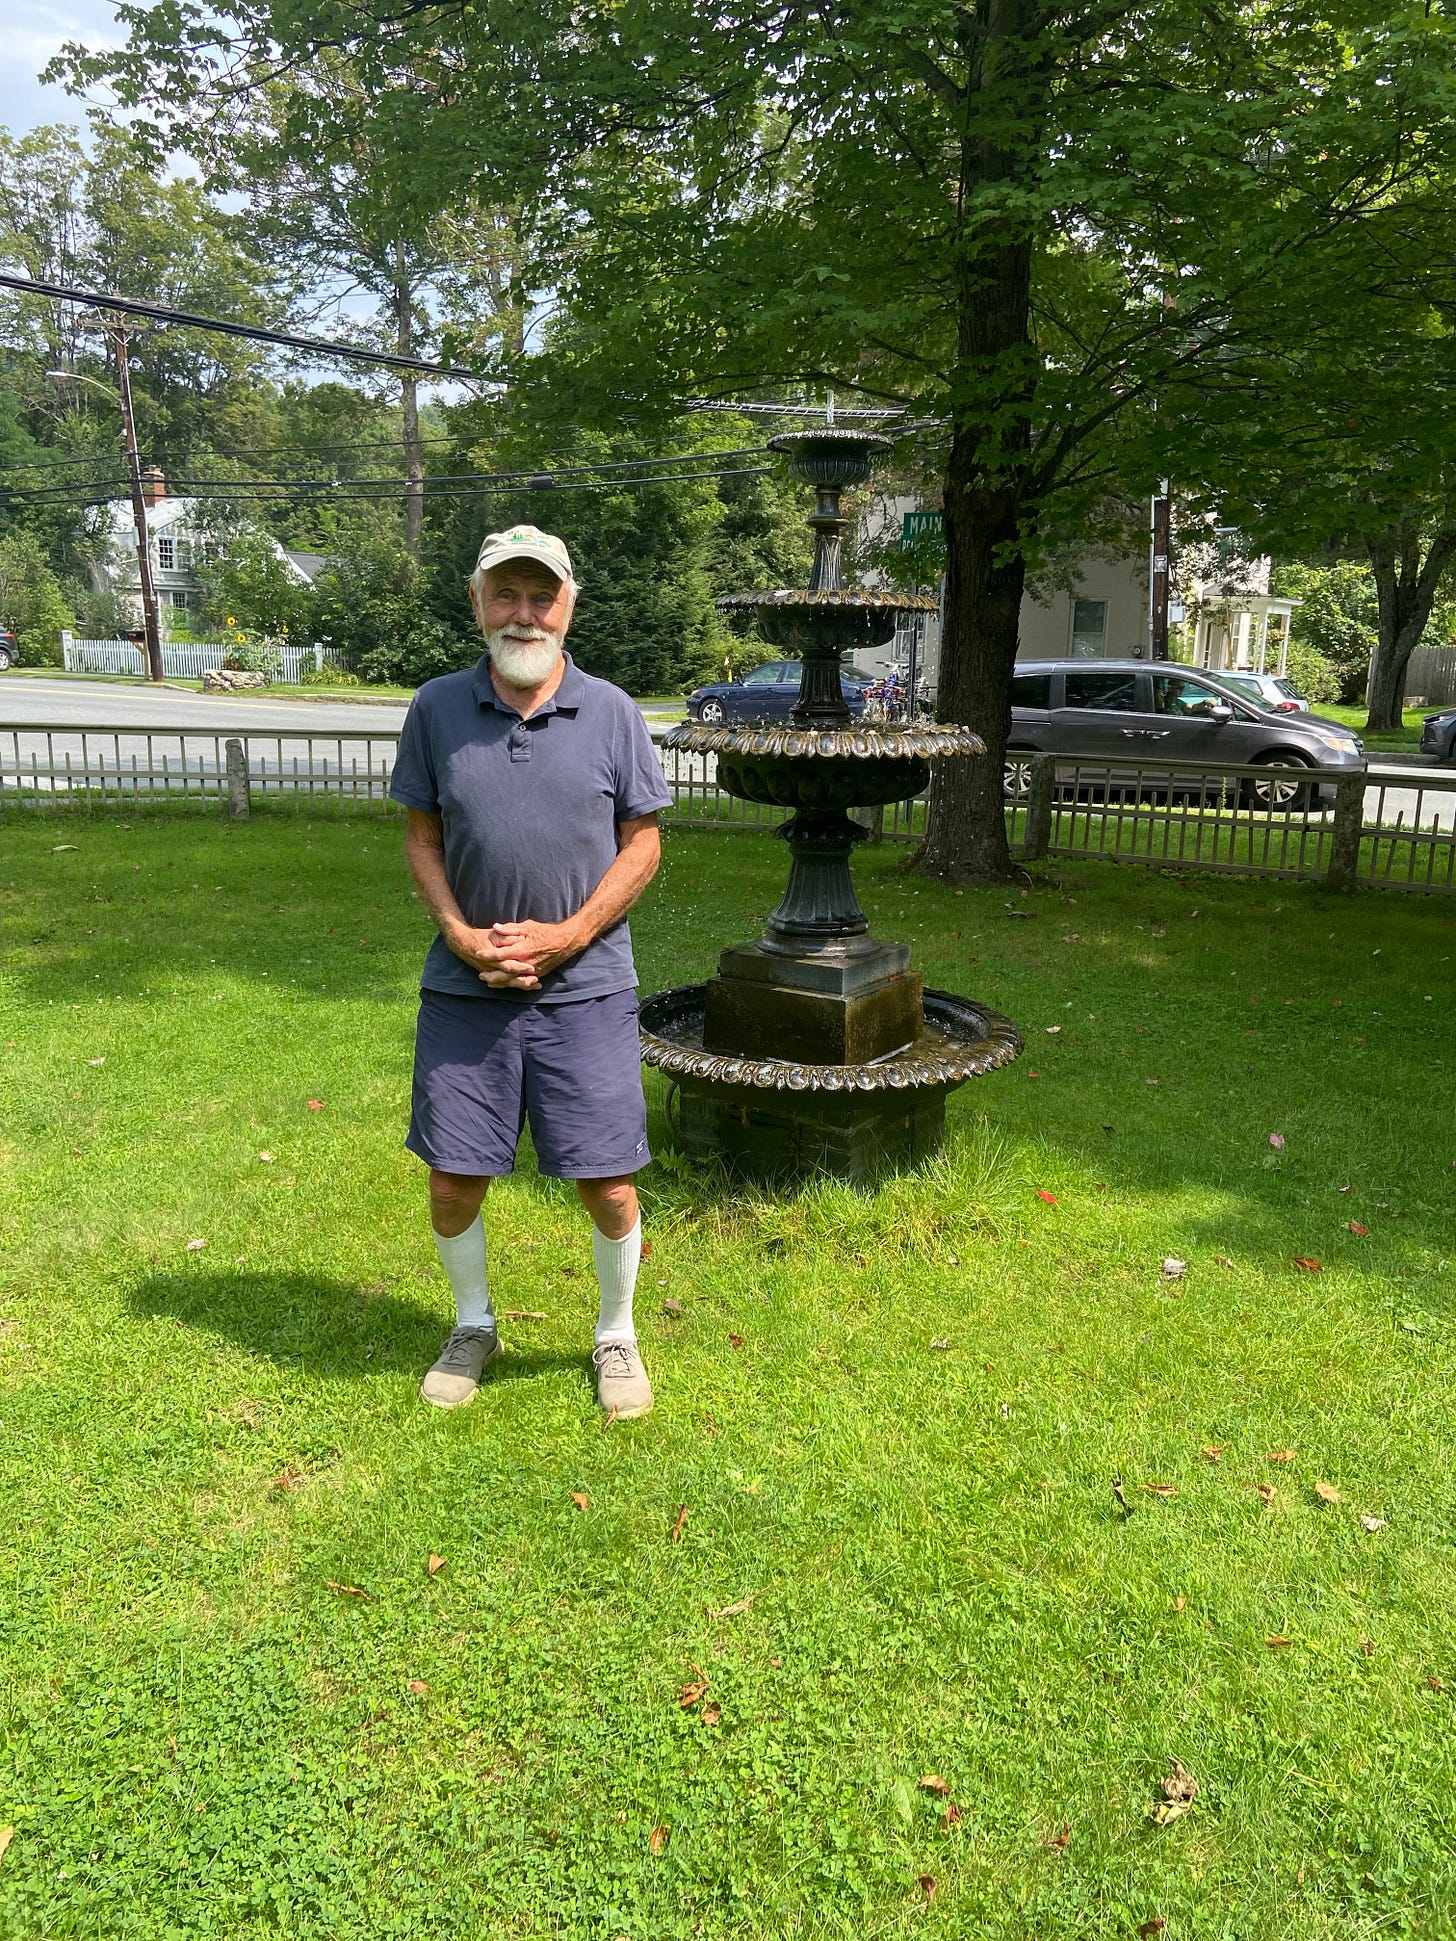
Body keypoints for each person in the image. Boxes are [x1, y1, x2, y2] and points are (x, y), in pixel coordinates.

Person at [388, 524, 674, 1416]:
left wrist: (568, 935)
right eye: (505, 594)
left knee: (610, 1183)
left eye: (541, 596)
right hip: (464, 988)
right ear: (477, 603)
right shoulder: (436, 707)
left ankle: (616, 1333)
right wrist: (458, 932)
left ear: (568, 607)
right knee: (451, 1179)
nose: (524, 613)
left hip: (587, 987)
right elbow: (423, 835)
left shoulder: (613, 711)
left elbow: (643, 842)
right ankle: (473, 1323)